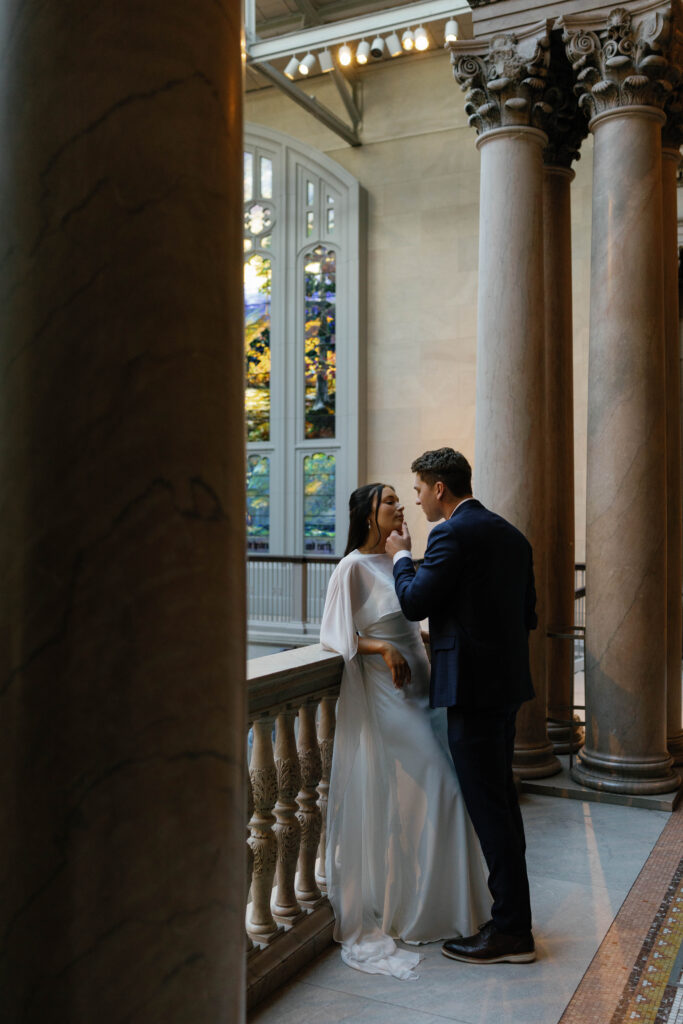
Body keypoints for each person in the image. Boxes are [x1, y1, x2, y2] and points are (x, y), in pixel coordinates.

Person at [320, 482, 490, 980]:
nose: (401, 506)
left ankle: (445, 907)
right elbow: (334, 634)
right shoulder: (352, 566)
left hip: (426, 689)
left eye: (401, 498)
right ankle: (419, 910)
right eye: (390, 500)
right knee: (439, 787)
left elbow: (411, 614)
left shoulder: (401, 560)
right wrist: (381, 648)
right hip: (391, 696)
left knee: (437, 795)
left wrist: (414, 641)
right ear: (369, 513)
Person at [386, 448, 537, 965]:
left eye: (419, 490)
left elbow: (414, 602)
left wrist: (402, 556)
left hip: (470, 690)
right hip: (506, 686)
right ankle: (513, 920)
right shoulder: (513, 535)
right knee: (502, 806)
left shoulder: (450, 533)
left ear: (440, 488)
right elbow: (528, 614)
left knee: (489, 809)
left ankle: (512, 932)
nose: (418, 499)